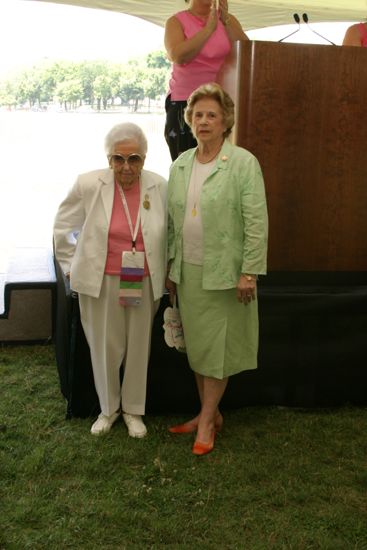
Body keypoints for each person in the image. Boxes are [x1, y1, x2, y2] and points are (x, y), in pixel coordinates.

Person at [166, 82, 268, 456]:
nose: (203, 120)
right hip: (188, 272)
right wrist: (170, 269)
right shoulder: (181, 164)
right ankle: (209, 412)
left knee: (219, 350)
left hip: (226, 275)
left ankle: (207, 420)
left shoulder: (242, 163)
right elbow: (174, 222)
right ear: (189, 120)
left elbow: (257, 221)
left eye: (212, 114)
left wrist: (250, 272)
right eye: (197, 115)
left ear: (226, 121)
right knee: (198, 348)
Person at [53, 122, 167, 438]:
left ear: (145, 158)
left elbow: (168, 232)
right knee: (105, 346)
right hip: (102, 280)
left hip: (142, 278)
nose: (126, 167)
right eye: (119, 158)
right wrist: (69, 266)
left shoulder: (159, 186)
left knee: (138, 345)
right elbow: (63, 226)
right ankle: (108, 409)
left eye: (135, 159)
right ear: (108, 159)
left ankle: (133, 411)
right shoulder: (89, 184)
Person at [164, 0, 248, 161]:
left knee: (222, 166)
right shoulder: (176, 21)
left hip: (221, 103)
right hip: (185, 103)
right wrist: (209, 29)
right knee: (187, 165)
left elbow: (246, 52)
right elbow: (178, 56)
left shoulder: (229, 20)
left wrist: (226, 21)